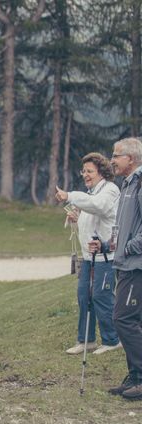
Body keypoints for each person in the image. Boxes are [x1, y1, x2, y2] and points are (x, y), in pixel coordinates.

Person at [90, 138, 142, 400]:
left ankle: (140, 377)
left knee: (123, 318)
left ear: (130, 158)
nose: (112, 159)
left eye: (116, 155)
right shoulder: (128, 183)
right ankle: (134, 376)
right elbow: (123, 226)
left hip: (136, 265)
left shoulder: (141, 182)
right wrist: (110, 243)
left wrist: (129, 247)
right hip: (124, 262)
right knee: (127, 319)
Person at [55, 153, 121, 356]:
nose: (85, 174)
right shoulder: (92, 192)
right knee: (84, 297)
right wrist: (77, 217)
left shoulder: (110, 190)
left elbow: (99, 207)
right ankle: (86, 340)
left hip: (106, 256)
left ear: (101, 172)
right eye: (83, 171)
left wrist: (70, 196)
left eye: (90, 171)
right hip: (88, 257)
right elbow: (91, 212)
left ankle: (112, 340)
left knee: (101, 296)